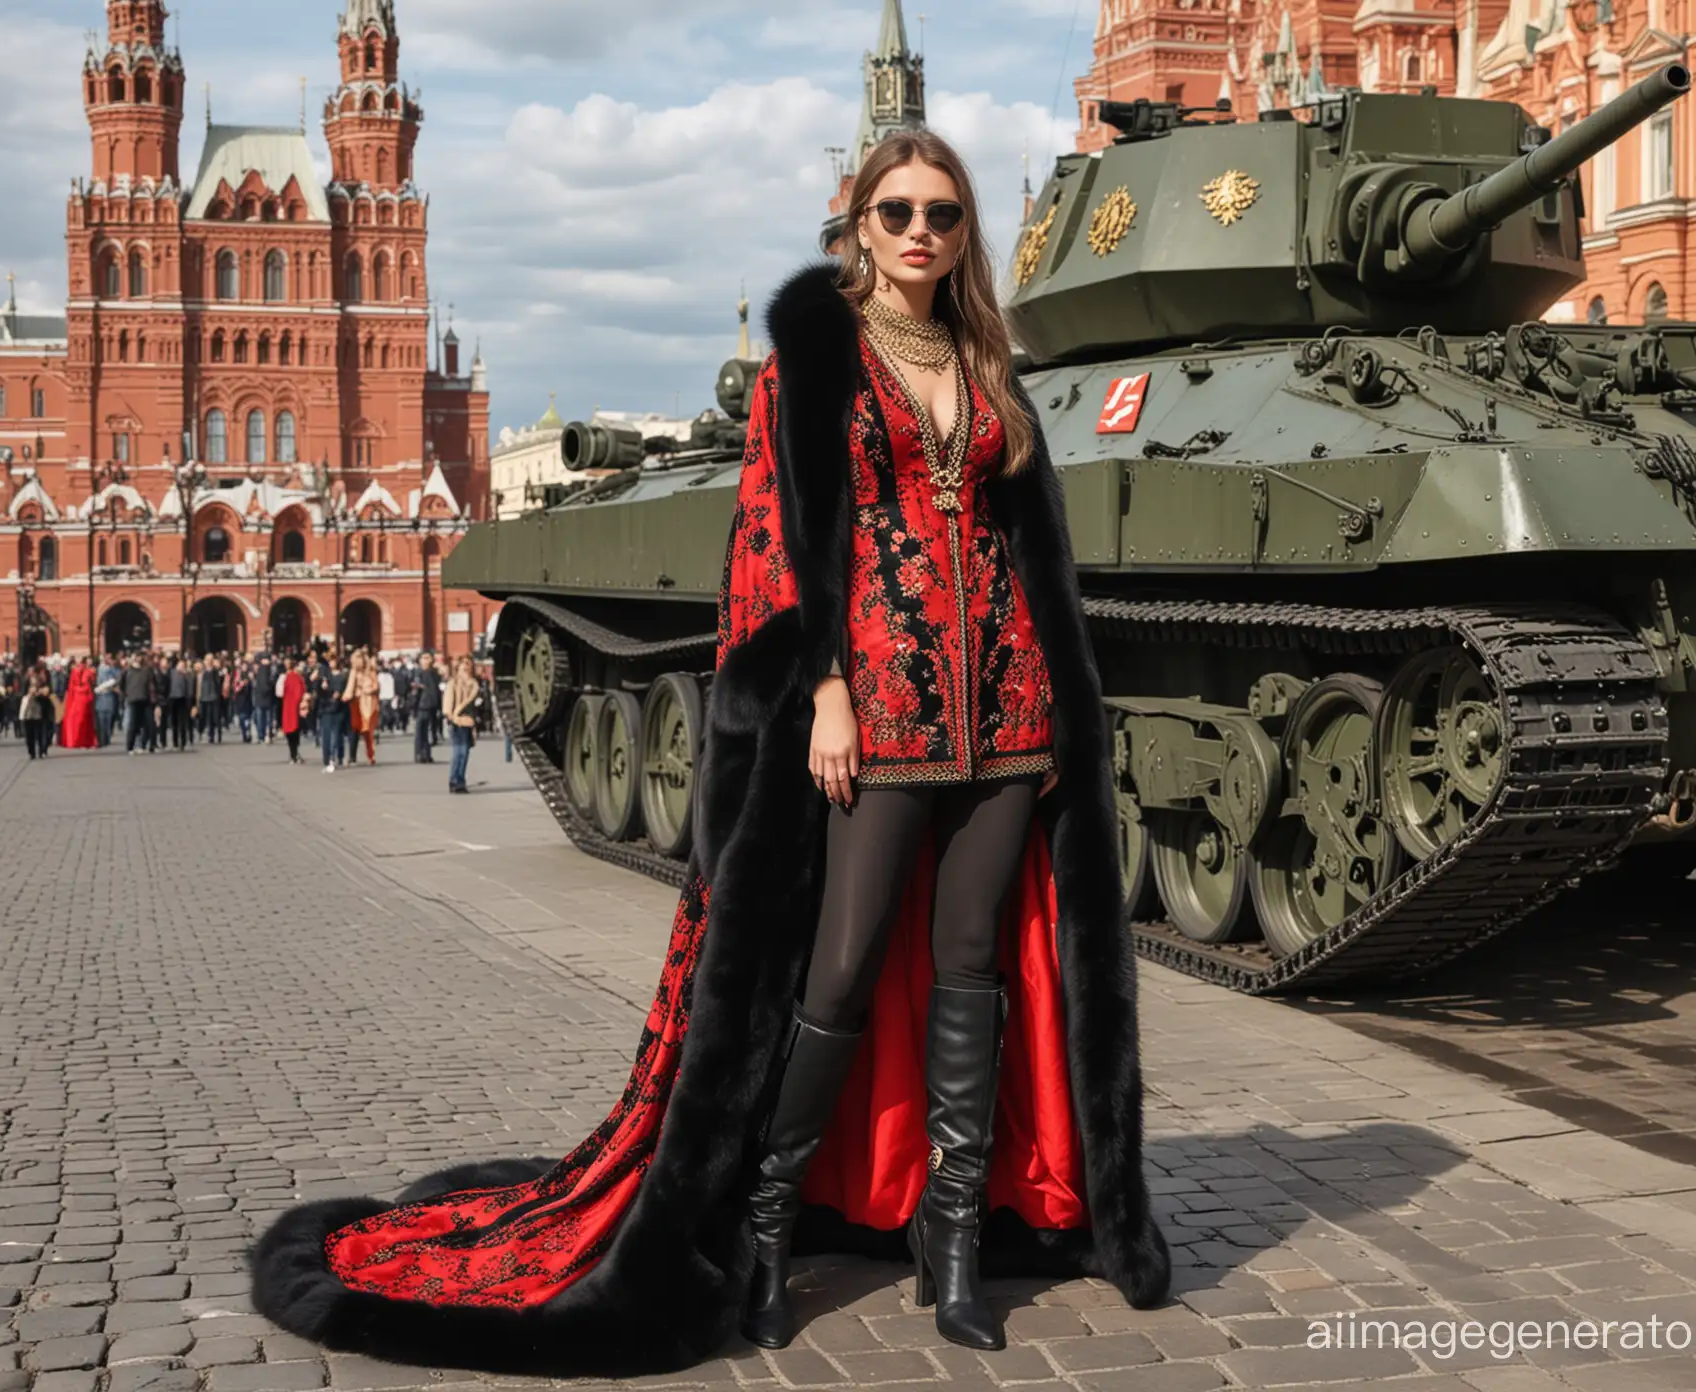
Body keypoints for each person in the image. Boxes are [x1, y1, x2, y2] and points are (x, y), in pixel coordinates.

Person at [251, 130, 1168, 1376]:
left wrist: (1061, 700)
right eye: (894, 210)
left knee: (971, 969)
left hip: (1003, 710)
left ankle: (953, 1243)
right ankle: (766, 1226)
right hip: (882, 708)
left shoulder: (985, 352)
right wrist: (828, 688)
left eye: (942, 212)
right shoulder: (820, 353)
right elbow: (782, 534)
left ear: (965, 230)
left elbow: (1027, 546)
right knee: (835, 974)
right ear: (857, 224)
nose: (919, 231)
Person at [442, 654, 478, 793]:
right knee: (459, 752)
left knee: (465, 753)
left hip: (469, 722)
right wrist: (451, 716)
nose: (466, 666)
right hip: (457, 720)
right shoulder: (453, 683)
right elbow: (447, 702)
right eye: (463, 663)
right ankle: (455, 780)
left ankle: (460, 780)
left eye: (468, 663)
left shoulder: (474, 684)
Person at [344, 650, 381, 766]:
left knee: (367, 733)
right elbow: (349, 687)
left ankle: (370, 755)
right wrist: (347, 695)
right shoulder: (353, 672)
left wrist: (367, 690)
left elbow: (376, 686)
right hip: (355, 703)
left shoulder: (371, 672)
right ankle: (352, 756)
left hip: (368, 704)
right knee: (354, 731)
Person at [59, 659, 98, 750]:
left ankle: (81, 741)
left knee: (82, 721)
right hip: (81, 699)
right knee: (83, 721)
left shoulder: (81, 672)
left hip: (80, 699)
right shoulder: (83, 672)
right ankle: (83, 741)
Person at [411, 652, 440, 764]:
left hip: (429, 704)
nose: (426, 661)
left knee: (427, 730)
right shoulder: (419, 673)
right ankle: (420, 753)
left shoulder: (432, 673)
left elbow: (435, 690)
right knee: (421, 730)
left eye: (428, 658)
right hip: (422, 704)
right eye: (424, 658)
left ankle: (425, 753)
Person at [20, 671, 56, 759]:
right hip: (28, 714)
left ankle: (41, 751)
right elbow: (22, 697)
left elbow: (47, 696)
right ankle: (31, 752)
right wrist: (29, 694)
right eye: (32, 681)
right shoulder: (26, 687)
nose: (34, 683)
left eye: (35, 681)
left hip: (39, 714)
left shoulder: (44, 687)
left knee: (40, 734)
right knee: (29, 735)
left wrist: (39, 694)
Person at [121, 653, 153, 754]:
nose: (138, 659)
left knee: (147, 724)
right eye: (136, 657)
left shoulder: (146, 670)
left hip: (145, 699)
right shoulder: (127, 671)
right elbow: (121, 684)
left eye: (140, 657)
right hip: (132, 700)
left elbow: (151, 684)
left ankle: (142, 745)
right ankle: (130, 747)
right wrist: (126, 695)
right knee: (133, 724)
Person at [279, 656, 308, 765]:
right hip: (295, 707)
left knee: (290, 732)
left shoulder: (285, 677)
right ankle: (295, 754)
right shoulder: (297, 678)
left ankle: (293, 755)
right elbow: (301, 692)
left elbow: (279, 693)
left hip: (287, 707)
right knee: (295, 732)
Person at [94, 654, 122, 747]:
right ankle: (102, 739)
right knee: (101, 720)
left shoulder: (111, 669)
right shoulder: (96, 670)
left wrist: (104, 686)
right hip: (100, 697)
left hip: (109, 696)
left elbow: (115, 680)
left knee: (108, 719)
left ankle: (107, 738)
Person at [199, 655, 226, 743]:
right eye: (207, 660)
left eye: (210, 660)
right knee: (208, 717)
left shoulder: (215, 671)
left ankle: (218, 734)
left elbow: (219, 683)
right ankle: (210, 735)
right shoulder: (202, 672)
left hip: (214, 697)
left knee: (216, 717)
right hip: (205, 697)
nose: (208, 662)